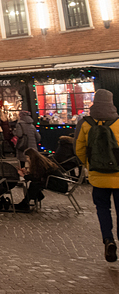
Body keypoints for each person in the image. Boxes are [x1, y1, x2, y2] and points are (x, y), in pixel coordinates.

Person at [76, 88, 119, 262]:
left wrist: (89, 165)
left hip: (97, 176)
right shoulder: (118, 122)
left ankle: (108, 239)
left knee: (103, 209)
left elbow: (78, 149)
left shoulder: (85, 123)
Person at [15, 148, 62, 212]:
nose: (26, 159)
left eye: (27, 157)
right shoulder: (40, 161)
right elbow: (38, 175)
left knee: (34, 184)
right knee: (35, 183)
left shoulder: (39, 163)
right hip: (53, 181)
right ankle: (29, 201)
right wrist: (27, 173)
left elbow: (36, 177)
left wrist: (23, 175)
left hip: (58, 184)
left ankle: (25, 203)